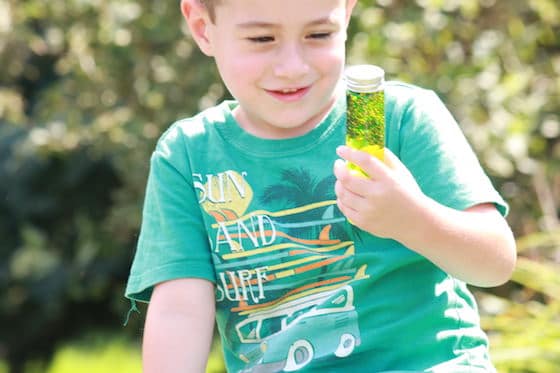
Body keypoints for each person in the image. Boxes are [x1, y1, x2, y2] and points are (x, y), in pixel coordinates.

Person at [125, 0, 517, 371]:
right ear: (202, 27)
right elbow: (180, 309)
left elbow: (494, 261)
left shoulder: (395, 118)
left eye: (318, 35)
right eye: (262, 39)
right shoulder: (190, 156)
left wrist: (410, 219)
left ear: (346, 13)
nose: (293, 67)